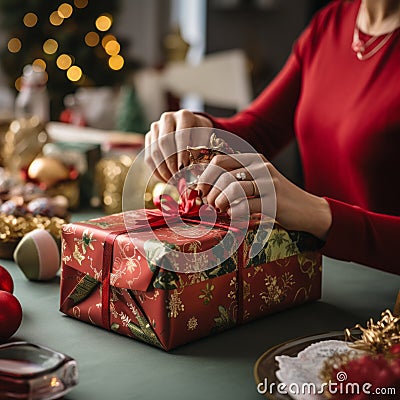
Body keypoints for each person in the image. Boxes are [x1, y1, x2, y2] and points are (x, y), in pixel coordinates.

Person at [145, 0, 400, 275]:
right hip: (317, 273)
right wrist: (201, 130)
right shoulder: (331, 22)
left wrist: (317, 214)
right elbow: (262, 130)